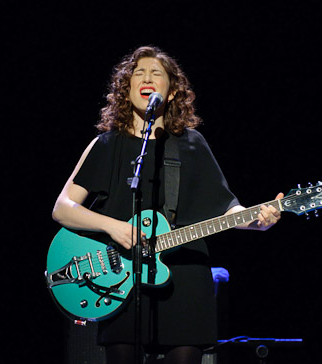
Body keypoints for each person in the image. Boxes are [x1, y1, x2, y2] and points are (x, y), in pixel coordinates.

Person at [52, 45, 283, 364]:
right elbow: (63, 208)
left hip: (184, 281)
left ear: (172, 92)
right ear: (126, 87)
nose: (146, 77)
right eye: (139, 73)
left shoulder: (191, 144)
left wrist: (257, 219)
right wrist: (114, 227)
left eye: (156, 73)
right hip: (121, 280)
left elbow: (227, 209)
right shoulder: (106, 145)